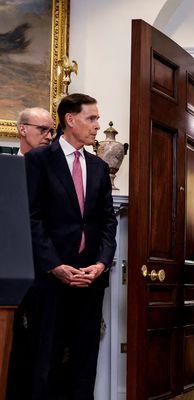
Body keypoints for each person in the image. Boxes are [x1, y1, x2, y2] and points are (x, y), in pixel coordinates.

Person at [22, 93, 117, 400]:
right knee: (44, 363)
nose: (97, 125)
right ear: (70, 120)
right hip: (50, 279)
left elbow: (108, 222)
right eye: (92, 118)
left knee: (84, 364)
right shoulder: (38, 160)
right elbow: (31, 217)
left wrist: (101, 263)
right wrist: (54, 265)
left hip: (90, 280)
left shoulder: (99, 167)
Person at [6, 107, 54, 399]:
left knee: (42, 346)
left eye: (52, 130)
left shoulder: (57, 172)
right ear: (22, 129)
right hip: (9, 270)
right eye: (42, 129)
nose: (49, 136)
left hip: (46, 272)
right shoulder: (7, 166)